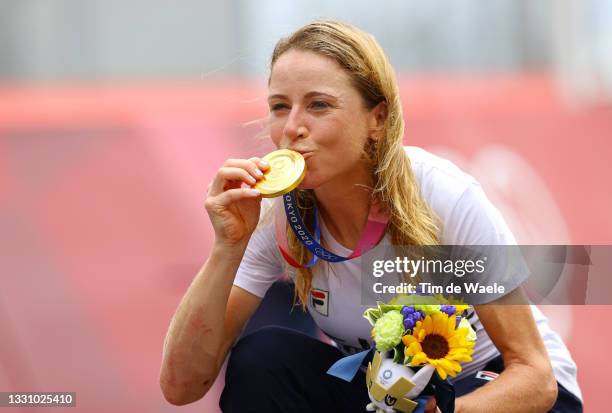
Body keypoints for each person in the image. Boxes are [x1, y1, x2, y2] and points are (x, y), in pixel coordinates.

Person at [159, 20, 583, 413]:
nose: (293, 127)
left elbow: (536, 379)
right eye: (279, 106)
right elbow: (182, 387)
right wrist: (226, 248)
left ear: (376, 118)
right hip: (393, 397)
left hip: (500, 394)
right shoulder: (276, 217)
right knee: (264, 359)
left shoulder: (441, 194)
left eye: (319, 105)